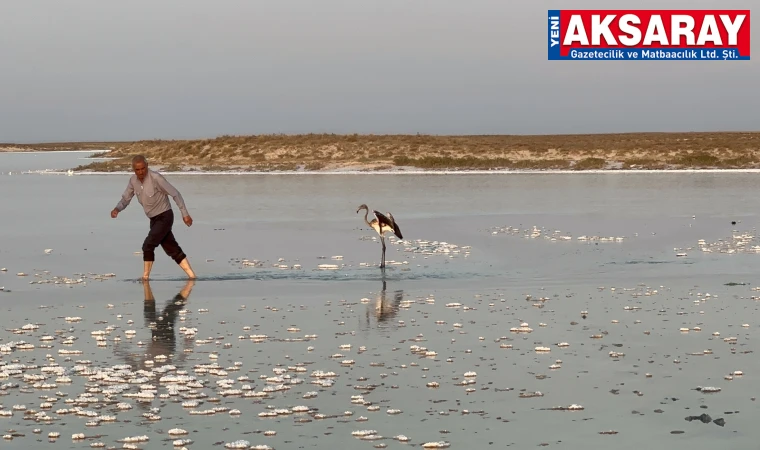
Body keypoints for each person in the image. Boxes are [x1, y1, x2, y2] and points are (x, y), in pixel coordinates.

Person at [111, 155, 196, 280]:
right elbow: (126, 199)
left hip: (165, 216)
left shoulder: (156, 178)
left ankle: (145, 278)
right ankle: (192, 276)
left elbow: (175, 194)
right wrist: (117, 209)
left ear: (147, 166)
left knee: (148, 245)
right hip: (154, 219)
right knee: (171, 248)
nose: (141, 172)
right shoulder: (133, 181)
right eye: (137, 170)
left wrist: (185, 214)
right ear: (134, 170)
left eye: (143, 169)